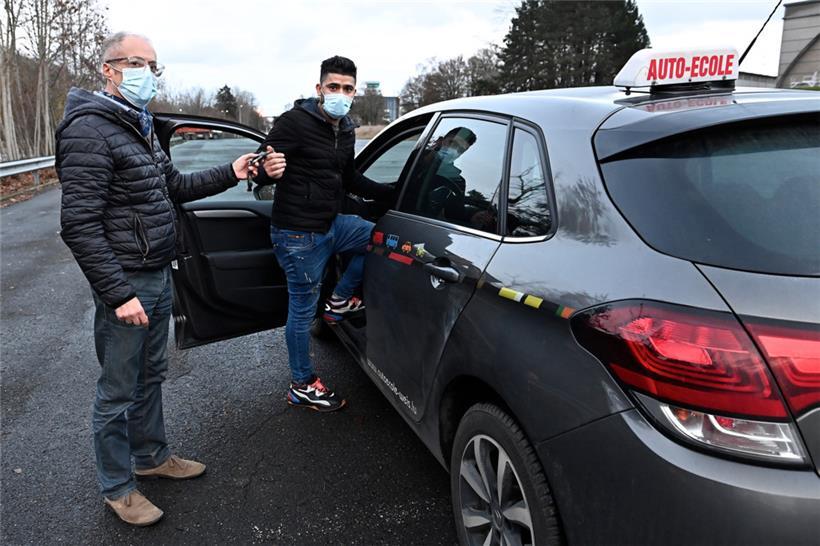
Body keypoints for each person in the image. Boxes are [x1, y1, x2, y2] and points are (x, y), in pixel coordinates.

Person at [55, 32, 286, 526]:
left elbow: (173, 186)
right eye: (136, 63)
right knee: (118, 388)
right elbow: (78, 225)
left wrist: (232, 170)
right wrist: (118, 294)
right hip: (127, 282)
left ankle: (152, 457)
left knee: (150, 376)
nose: (148, 74)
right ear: (109, 70)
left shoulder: (137, 124)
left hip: (158, 273)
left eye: (153, 65)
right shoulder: (89, 130)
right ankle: (118, 487)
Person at [255, 56, 395, 413]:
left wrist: (391, 193)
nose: (340, 94)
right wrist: (267, 170)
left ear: (355, 92)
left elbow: (349, 178)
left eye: (347, 89)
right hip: (297, 234)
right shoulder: (294, 122)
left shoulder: (345, 128)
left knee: (378, 238)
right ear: (319, 89)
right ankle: (301, 385)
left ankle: (340, 300)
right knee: (302, 311)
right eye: (333, 87)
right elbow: (260, 167)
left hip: (333, 225)